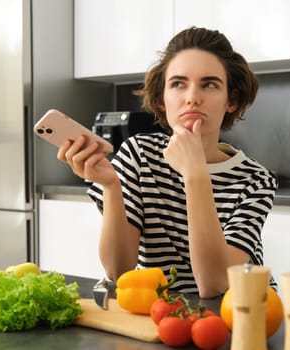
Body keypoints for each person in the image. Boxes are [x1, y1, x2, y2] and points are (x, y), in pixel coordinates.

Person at [57, 27, 277, 298]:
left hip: (243, 316)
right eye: (178, 84)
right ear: (162, 100)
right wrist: (111, 186)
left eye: (209, 84)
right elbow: (118, 272)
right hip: (163, 318)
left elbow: (214, 284)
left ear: (231, 100)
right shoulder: (139, 155)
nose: (192, 97)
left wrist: (194, 173)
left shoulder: (256, 179)